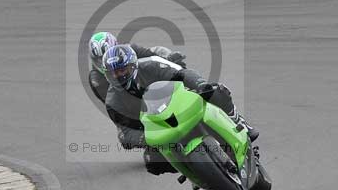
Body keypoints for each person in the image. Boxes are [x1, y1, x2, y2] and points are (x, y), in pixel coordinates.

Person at [103, 44, 258, 175]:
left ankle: (239, 121)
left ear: (133, 65)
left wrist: (200, 84)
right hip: (160, 128)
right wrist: (145, 138)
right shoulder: (112, 101)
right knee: (152, 162)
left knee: (217, 91)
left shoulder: (151, 64)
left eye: (123, 70)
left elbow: (182, 73)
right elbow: (125, 134)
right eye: (114, 73)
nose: (119, 76)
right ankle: (195, 170)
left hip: (180, 101)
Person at [88, 31, 186, 103]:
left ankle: (188, 84)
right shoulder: (96, 80)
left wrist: (170, 59)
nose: (106, 61)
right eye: (99, 59)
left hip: (150, 86)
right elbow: (112, 104)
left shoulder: (129, 51)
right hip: (130, 105)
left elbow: (152, 54)